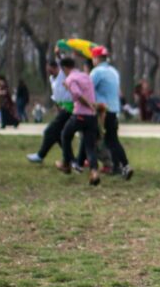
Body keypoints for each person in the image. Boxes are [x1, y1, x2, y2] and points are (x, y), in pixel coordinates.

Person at [56, 57, 102, 186]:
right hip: (92, 117)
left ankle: (67, 163)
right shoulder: (85, 75)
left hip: (81, 114)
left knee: (65, 134)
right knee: (89, 146)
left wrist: (88, 104)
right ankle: (94, 172)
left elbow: (78, 95)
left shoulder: (70, 78)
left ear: (64, 68)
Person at [90, 46, 133, 179]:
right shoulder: (114, 71)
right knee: (112, 140)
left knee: (93, 138)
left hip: (102, 111)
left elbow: (88, 89)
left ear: (96, 58)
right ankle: (119, 166)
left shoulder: (96, 72)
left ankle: (84, 164)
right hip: (114, 110)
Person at [27, 60, 74, 164]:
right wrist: (56, 106)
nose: (48, 71)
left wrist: (58, 51)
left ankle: (40, 155)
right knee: (59, 135)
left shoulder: (63, 74)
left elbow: (61, 60)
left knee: (49, 131)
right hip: (61, 108)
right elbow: (56, 94)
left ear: (56, 67)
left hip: (68, 108)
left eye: (49, 69)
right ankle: (71, 159)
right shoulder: (51, 78)